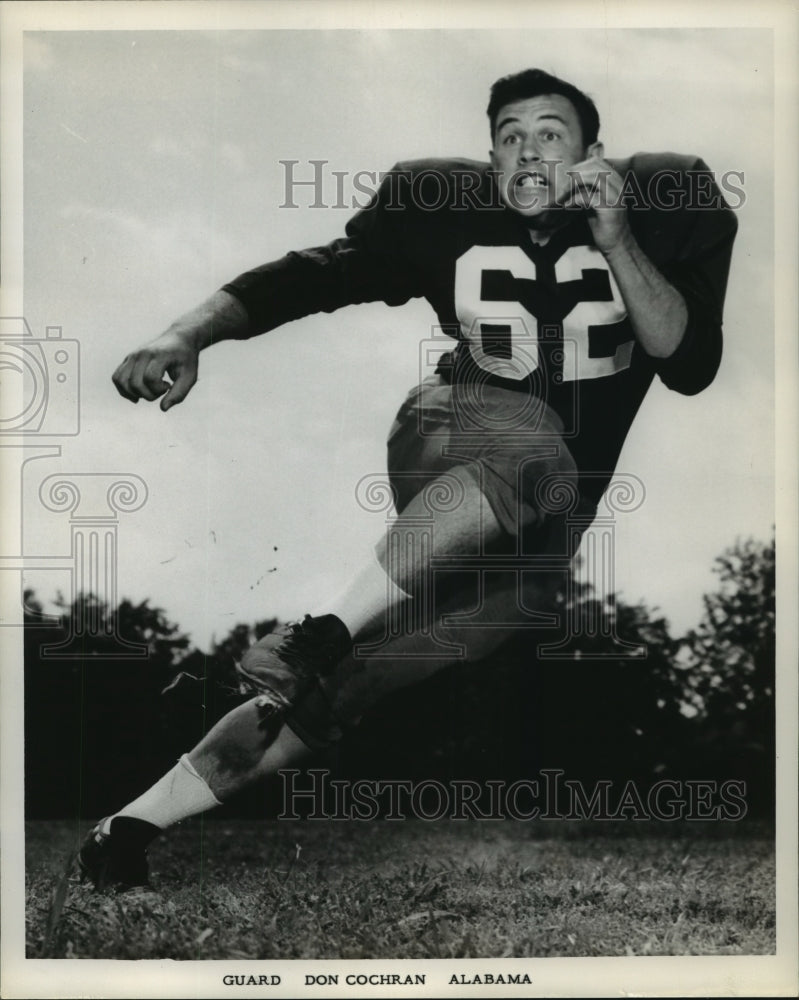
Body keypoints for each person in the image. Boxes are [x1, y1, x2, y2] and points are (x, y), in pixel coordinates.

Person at [79, 68, 737, 891]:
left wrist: (616, 236)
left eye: (550, 132)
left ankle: (128, 826)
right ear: (488, 158)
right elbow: (312, 275)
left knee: (349, 687)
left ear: (593, 153)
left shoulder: (663, 197)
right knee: (536, 443)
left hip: (540, 518)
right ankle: (318, 632)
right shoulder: (443, 205)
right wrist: (188, 333)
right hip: (446, 435)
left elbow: (688, 364)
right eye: (509, 135)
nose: (527, 148)